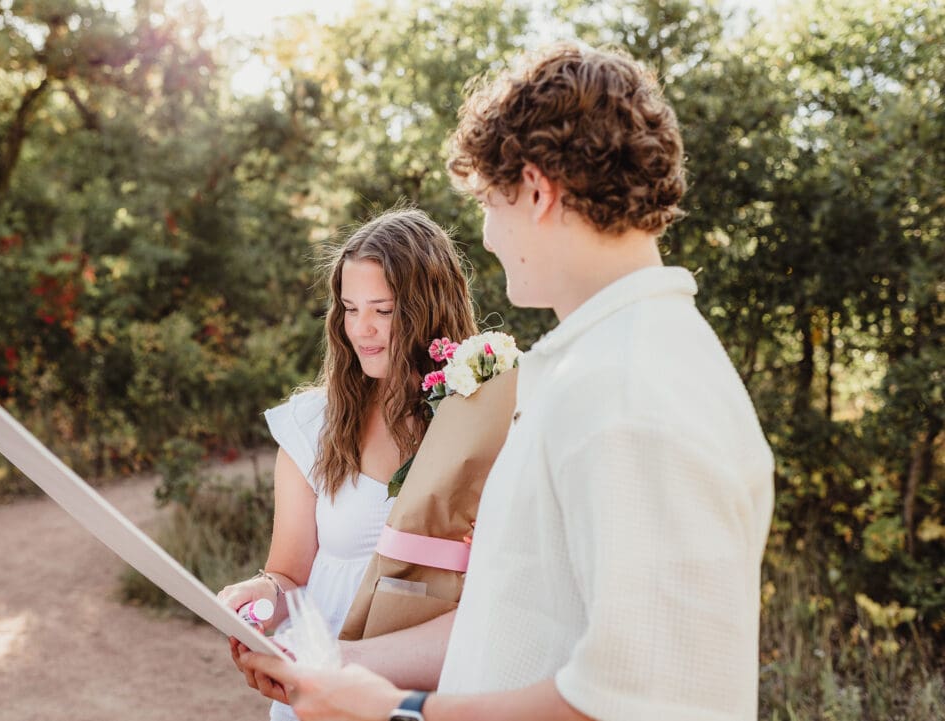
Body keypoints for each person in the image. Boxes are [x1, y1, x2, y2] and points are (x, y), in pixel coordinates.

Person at [237, 43, 775, 721]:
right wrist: (343, 667)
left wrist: (401, 709)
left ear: (537, 191)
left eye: (491, 202)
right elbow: (515, 622)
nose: (488, 236)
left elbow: (644, 702)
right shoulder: (608, 365)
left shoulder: (629, 393)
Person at [217, 207, 478, 721]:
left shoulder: (478, 423)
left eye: (384, 310)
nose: (362, 329)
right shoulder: (312, 425)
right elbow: (289, 575)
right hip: (320, 698)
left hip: (431, 698)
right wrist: (260, 595)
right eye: (349, 308)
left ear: (431, 309)